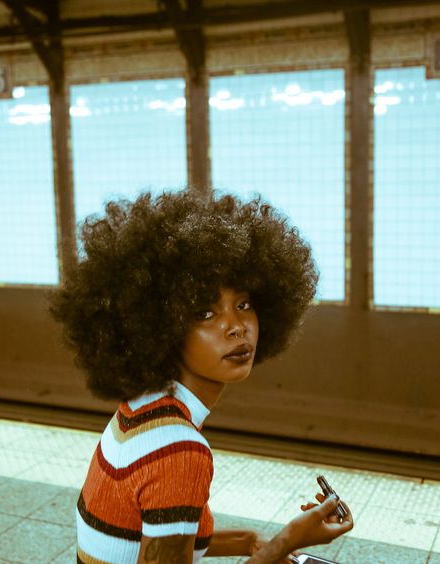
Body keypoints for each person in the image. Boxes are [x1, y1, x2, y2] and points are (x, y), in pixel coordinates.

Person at [48, 190, 354, 563]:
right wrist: (288, 541)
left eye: (243, 304)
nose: (237, 326)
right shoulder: (180, 451)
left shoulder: (142, 408)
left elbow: (147, 532)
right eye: (205, 313)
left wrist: (249, 541)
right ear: (164, 326)